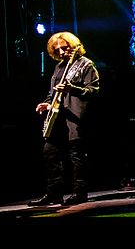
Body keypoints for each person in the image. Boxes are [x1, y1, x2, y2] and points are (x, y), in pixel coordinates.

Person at [29, 32, 100, 207]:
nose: (61, 51)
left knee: (76, 154)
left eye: (64, 47)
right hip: (57, 116)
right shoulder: (59, 67)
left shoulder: (85, 64)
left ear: (73, 45)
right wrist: (46, 104)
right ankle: (54, 193)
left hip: (75, 116)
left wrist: (73, 88)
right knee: (49, 152)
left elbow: (94, 90)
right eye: (57, 49)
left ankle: (79, 192)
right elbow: (52, 93)